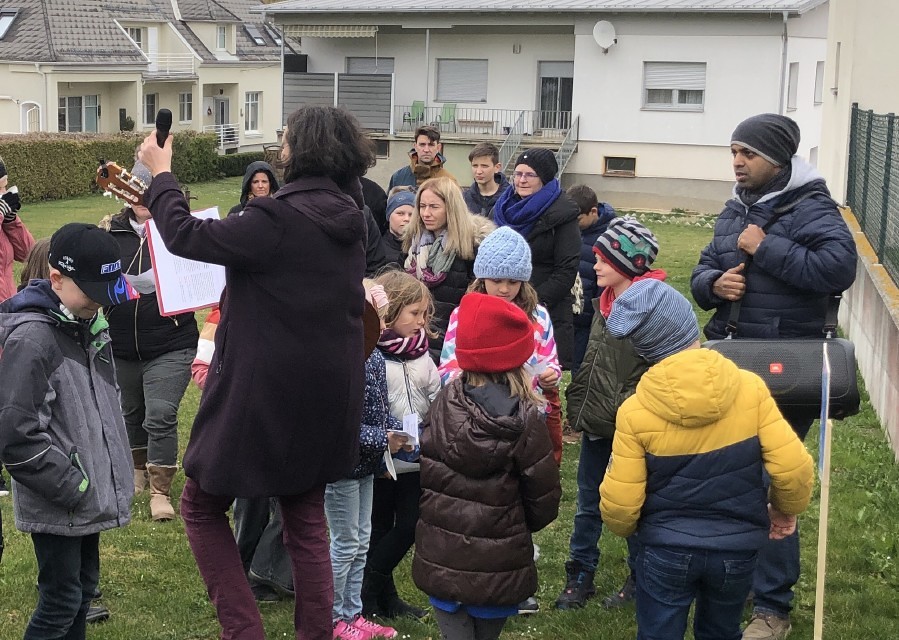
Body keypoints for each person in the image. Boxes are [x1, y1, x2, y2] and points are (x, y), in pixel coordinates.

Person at [137, 104, 375, 640]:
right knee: (305, 518)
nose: (280, 146)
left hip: (264, 392)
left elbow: (184, 236)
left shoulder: (275, 220)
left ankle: (243, 631)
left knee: (201, 506)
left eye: (286, 138)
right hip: (328, 392)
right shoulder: (351, 216)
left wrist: (162, 173)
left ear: (301, 150)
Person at [690, 113, 857, 640]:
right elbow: (701, 270)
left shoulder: (813, 207)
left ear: (779, 159)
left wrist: (766, 247)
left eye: (748, 153)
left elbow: (839, 270)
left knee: (772, 480)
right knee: (730, 479)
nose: (737, 162)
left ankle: (772, 608)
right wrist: (714, 285)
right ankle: (736, 583)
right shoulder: (734, 208)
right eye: (733, 152)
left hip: (789, 369)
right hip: (732, 361)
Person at [599, 278, 815, 640]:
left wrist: (627, 528)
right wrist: (784, 509)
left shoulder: (635, 411)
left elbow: (621, 502)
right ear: (689, 324)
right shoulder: (750, 389)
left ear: (643, 346)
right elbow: (795, 467)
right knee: (721, 631)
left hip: (665, 549)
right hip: (736, 549)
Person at [0, 223, 134, 640]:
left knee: (83, 593)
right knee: (59, 602)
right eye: (91, 292)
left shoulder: (89, 325)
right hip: (60, 499)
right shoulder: (32, 339)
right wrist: (73, 485)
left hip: (85, 496)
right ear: (56, 278)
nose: (99, 301)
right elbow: (16, 434)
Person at [413, 292, 561, 640]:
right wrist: (517, 524)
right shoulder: (527, 420)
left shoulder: (442, 405)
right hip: (498, 564)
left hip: (443, 557)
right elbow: (543, 500)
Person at [556, 217, 665, 611]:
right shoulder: (605, 302)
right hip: (598, 424)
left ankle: (640, 577)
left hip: (633, 429)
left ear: (627, 263)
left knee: (635, 503)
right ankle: (580, 574)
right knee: (589, 502)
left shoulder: (652, 307)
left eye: (603, 259)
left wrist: (629, 410)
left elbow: (662, 372)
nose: (595, 265)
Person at [100, 164, 198, 522]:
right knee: (131, 411)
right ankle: (137, 470)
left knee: (160, 413)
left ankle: (160, 489)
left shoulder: (181, 230)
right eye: (135, 189)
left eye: (150, 189)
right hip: (122, 344)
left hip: (172, 342)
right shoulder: (109, 231)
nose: (141, 197)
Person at [191, 308, 294, 604]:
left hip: (283, 421)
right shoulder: (221, 315)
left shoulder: (288, 310)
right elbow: (201, 369)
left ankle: (268, 567)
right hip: (241, 422)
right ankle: (246, 569)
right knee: (250, 504)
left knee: (288, 502)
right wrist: (235, 384)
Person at [438, 227, 563, 465]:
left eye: (513, 282)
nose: (504, 289)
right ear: (482, 278)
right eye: (496, 281)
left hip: (527, 417)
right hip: (477, 418)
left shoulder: (538, 317)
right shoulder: (463, 315)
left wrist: (551, 375)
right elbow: (447, 369)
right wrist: (475, 383)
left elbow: (550, 360)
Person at [328, 283, 407, 640]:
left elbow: (380, 408)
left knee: (361, 541)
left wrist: (396, 431)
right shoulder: (334, 363)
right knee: (344, 543)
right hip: (342, 467)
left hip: (367, 466)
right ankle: (331, 618)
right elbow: (334, 426)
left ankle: (352, 613)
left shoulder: (373, 357)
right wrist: (381, 438)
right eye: (377, 321)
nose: (381, 328)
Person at [363, 270, 440, 621]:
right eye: (414, 313)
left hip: (416, 453)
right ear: (391, 312)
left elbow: (435, 395)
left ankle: (369, 586)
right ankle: (384, 598)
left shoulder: (423, 354)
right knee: (378, 526)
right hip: (382, 453)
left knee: (410, 523)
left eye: (425, 313)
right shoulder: (371, 353)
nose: (422, 321)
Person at [492, 148, 580, 369]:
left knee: (539, 376)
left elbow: (566, 271)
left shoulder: (562, 213)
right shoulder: (503, 208)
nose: (521, 180)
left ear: (544, 178)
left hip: (543, 310)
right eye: (518, 174)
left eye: (529, 175)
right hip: (502, 304)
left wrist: (531, 302)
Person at [403, 176, 494, 362]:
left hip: (453, 342)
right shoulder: (412, 243)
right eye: (422, 206)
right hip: (414, 338)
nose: (426, 213)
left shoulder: (473, 247)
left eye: (434, 207)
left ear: (451, 208)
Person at [566, 184, 616, 374]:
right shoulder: (569, 230)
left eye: (578, 219)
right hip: (572, 317)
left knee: (585, 370)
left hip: (593, 320)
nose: (573, 223)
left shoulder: (609, 238)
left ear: (593, 212)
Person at [0, 158, 36, 302]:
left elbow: (28, 254)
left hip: (8, 306)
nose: (4, 193)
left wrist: (11, 221)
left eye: (5, 186)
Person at [388, 125, 457, 191]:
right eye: (422, 145)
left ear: (438, 148)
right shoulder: (398, 177)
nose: (426, 150)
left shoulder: (449, 182)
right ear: (415, 146)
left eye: (431, 145)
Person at [463, 142, 510, 218]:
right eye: (475, 166)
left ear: (497, 168)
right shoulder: (464, 198)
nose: (478, 171)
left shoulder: (510, 198)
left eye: (484, 166)